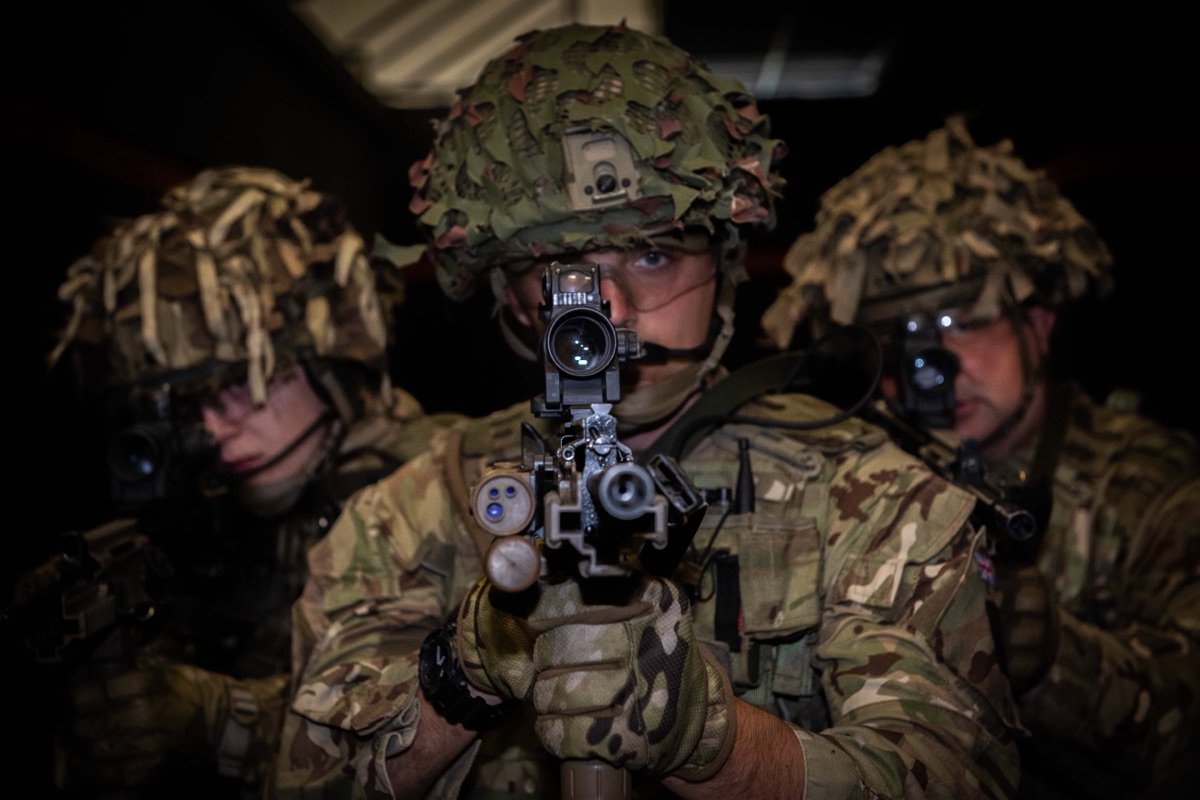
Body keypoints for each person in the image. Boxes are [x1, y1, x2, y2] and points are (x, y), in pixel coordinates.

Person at [273, 24, 1020, 799]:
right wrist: (463, 672)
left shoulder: (879, 499)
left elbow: (957, 776)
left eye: (654, 255)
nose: (611, 310)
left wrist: (716, 744)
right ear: (510, 295)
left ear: (724, 267)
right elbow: (302, 778)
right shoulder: (404, 511)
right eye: (564, 272)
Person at [760, 116, 1200, 798]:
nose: (934, 363)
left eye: (962, 323)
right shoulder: (862, 483)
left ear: (1040, 325)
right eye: (898, 336)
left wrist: (1056, 657)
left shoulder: (1147, 491)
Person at [39, 165, 458, 796]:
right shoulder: (208, 515)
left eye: (239, 384)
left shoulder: (456, 484)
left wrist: (220, 721)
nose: (212, 425)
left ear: (329, 357)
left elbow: (454, 732)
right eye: (185, 405)